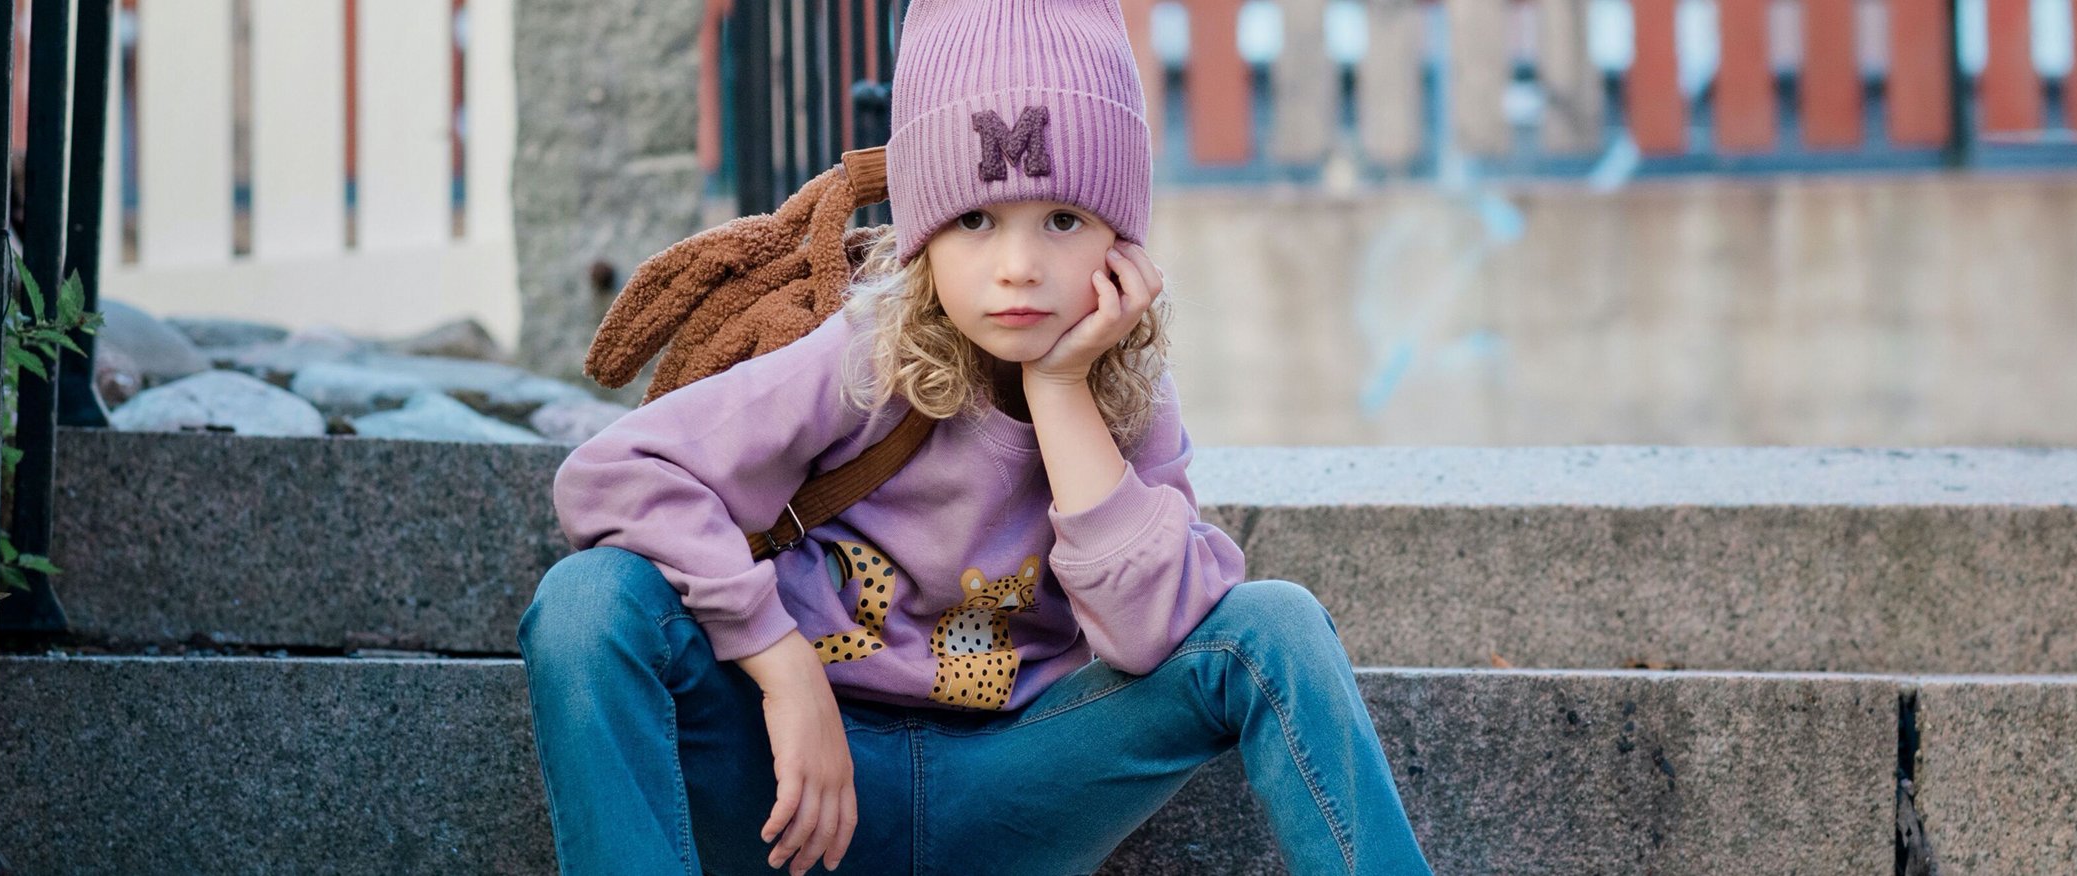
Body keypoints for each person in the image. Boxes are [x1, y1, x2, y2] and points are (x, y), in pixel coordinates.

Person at [519, 1, 1433, 873]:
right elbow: (611, 475)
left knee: (1273, 623)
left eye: (1064, 220)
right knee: (591, 602)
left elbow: (1150, 631)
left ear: (1122, 239)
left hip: (1017, 784)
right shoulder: (866, 354)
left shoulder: (1128, 389)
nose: (1020, 268)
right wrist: (782, 666)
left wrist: (1065, 386)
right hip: (801, 787)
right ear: (923, 237)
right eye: (975, 221)